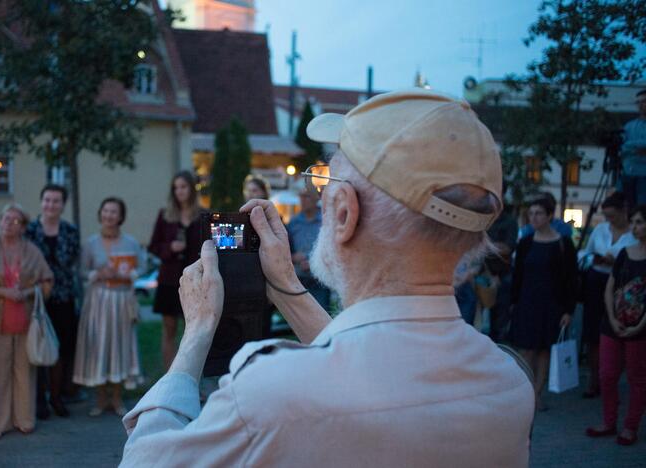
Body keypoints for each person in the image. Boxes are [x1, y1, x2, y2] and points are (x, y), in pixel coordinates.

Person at [120, 89, 534, 466]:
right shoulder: (508, 383)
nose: (319, 196)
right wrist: (284, 284)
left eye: (326, 183)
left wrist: (197, 332)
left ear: (344, 213)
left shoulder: (270, 392)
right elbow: (370, 365)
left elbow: (145, 460)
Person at [0, 204, 54, 440]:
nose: (9, 223)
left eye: (16, 221)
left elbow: (47, 281)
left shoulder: (32, 251)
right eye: (6, 218)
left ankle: (24, 419)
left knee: (24, 372)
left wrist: (25, 293)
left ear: (23, 227)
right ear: (0, 220)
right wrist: (3, 293)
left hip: (26, 322)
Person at [74, 198, 144, 416]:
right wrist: (98, 274)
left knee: (119, 347)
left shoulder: (131, 243)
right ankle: (100, 398)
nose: (109, 215)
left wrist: (127, 274)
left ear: (120, 216)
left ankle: (117, 397)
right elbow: (82, 272)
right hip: (98, 301)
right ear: (100, 214)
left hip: (121, 301)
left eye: (114, 212)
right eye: (105, 211)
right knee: (99, 346)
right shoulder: (90, 243)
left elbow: (141, 269)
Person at [585, 204, 646, 446]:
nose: (635, 227)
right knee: (607, 374)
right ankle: (609, 421)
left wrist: (639, 325)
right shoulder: (625, 252)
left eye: (640, 222)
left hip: (639, 328)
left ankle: (630, 426)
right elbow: (610, 287)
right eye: (634, 222)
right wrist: (611, 317)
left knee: (637, 378)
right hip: (613, 323)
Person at [511, 195, 577, 411]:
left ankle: (536, 394)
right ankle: (526, 392)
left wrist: (568, 310)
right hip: (527, 302)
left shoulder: (563, 243)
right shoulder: (526, 243)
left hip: (552, 304)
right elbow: (518, 275)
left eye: (538, 213)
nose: (534, 217)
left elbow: (571, 279)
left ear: (550, 215)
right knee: (526, 350)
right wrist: (514, 301)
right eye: (531, 213)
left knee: (544, 351)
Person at [25, 184, 81, 419]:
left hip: (63, 297)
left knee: (59, 350)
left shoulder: (69, 231)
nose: (51, 205)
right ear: (41, 202)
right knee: (37, 346)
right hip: (37, 298)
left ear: (62, 205)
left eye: (56, 201)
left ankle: (56, 396)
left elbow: (68, 261)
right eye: (47, 200)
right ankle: (38, 399)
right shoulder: (29, 231)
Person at [578, 192, 636, 398]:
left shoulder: (633, 233)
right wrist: (593, 259)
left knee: (616, 331)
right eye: (606, 216)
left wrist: (617, 263)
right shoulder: (601, 230)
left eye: (612, 215)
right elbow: (585, 252)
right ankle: (595, 379)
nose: (608, 220)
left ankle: (612, 378)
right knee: (594, 334)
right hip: (596, 281)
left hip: (621, 283)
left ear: (624, 212)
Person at [148, 171, 204, 370]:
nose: (179, 191)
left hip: (194, 280)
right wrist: (169, 248)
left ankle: (190, 379)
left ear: (191, 188)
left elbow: (209, 246)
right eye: (176, 188)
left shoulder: (203, 215)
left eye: (183, 187)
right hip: (169, 281)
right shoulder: (166, 215)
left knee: (192, 334)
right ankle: (169, 381)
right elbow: (153, 246)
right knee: (169, 332)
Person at [286, 186, 331, 310]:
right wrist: (293, 257)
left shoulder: (327, 219)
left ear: (317, 198)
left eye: (307, 196)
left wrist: (313, 262)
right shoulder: (293, 222)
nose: (303, 199)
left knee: (321, 320)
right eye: (301, 196)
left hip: (320, 281)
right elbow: (286, 251)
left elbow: (333, 250)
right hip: (298, 280)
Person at [484, 203, 519, 342]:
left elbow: (507, 248)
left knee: (500, 316)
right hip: (484, 273)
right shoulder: (486, 220)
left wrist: (487, 246)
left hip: (503, 274)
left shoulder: (510, 221)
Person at [620, 89, 646, 208]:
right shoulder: (629, 126)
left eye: (644, 101)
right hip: (629, 173)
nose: (640, 105)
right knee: (628, 207)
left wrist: (632, 146)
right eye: (638, 102)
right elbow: (623, 147)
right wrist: (638, 148)